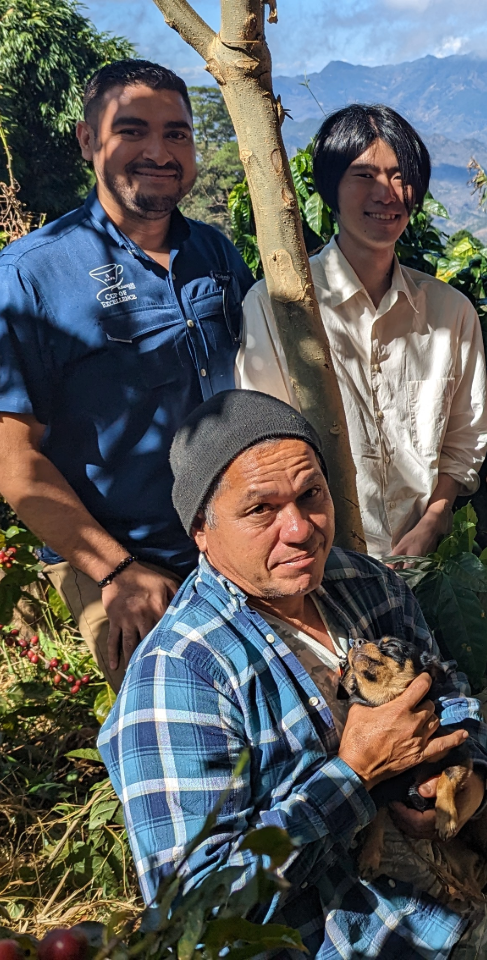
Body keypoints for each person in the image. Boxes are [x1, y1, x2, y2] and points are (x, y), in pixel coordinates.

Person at [97, 389, 487, 960]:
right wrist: (353, 776)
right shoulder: (179, 677)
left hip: (431, 844)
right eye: (261, 510)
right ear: (201, 530)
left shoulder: (362, 584)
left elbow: (450, 692)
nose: (300, 528)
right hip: (356, 925)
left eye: (312, 496)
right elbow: (194, 919)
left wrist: (471, 777)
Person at [0, 59, 254, 691]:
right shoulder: (30, 276)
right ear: (88, 140)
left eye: (177, 133)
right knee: (175, 752)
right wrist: (115, 572)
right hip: (121, 562)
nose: (158, 152)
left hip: (231, 547)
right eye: (133, 130)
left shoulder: (214, 252)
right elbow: (13, 459)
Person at [237, 104, 487, 560]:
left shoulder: (450, 313)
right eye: (363, 175)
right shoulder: (279, 307)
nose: (387, 193)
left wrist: (433, 522)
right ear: (329, 187)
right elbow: (267, 445)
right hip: (321, 564)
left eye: (399, 176)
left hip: (425, 562)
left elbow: (464, 440)